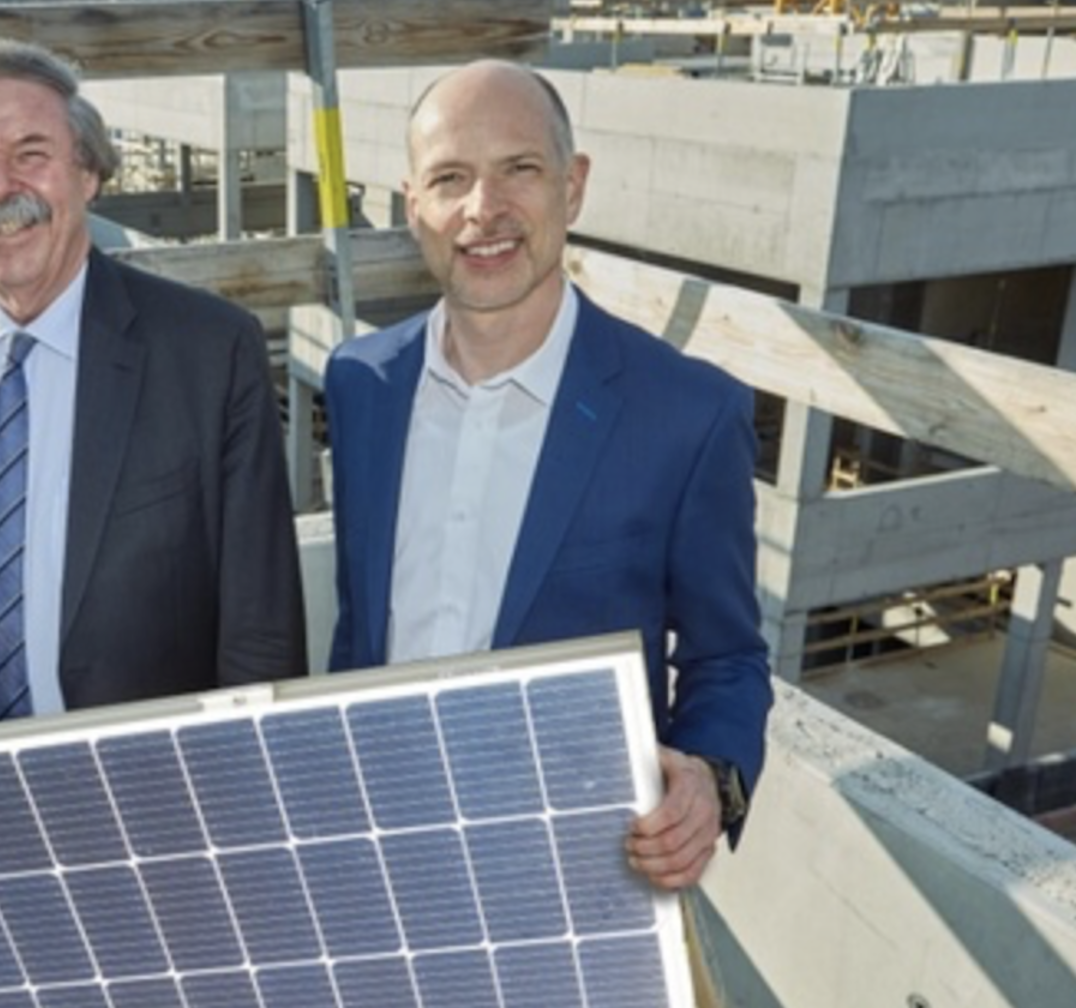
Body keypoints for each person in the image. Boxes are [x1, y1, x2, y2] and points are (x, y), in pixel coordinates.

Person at [0, 38, 306, 814]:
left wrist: (240, 801)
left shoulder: (208, 353)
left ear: (90, 172)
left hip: (154, 794)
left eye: (31, 153)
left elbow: (260, 625)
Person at [323, 60, 772, 889]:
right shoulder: (361, 386)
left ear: (574, 185)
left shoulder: (687, 413)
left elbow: (728, 657)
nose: (482, 210)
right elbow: (362, 630)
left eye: (518, 169)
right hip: (382, 848)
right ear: (411, 202)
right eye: (449, 178)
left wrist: (710, 779)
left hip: (578, 873)